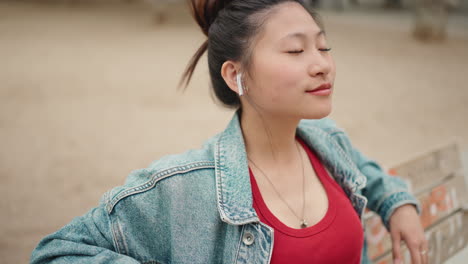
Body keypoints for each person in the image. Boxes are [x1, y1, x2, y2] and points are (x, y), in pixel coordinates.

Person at [30, 0, 428, 263]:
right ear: (236, 73)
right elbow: (56, 252)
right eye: (296, 50)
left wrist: (397, 203)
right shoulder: (186, 188)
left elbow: (367, 171)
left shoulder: (327, 144)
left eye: (323, 48)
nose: (322, 65)